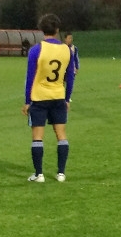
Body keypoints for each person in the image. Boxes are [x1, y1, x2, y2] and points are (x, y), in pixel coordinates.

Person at [23, 14, 74, 183]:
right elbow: (70, 77)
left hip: (39, 97)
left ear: (41, 30)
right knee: (61, 134)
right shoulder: (67, 49)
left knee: (38, 136)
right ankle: (61, 173)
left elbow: (30, 77)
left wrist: (27, 101)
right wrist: (67, 98)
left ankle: (39, 174)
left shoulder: (36, 50)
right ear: (57, 30)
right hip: (58, 96)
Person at [64, 32, 80, 101]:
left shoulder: (74, 48)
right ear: (65, 39)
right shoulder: (62, 47)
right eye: (69, 38)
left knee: (70, 83)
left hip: (71, 69)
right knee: (62, 83)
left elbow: (76, 58)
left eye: (71, 38)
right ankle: (61, 96)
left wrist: (77, 67)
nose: (70, 39)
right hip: (63, 68)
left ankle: (68, 97)